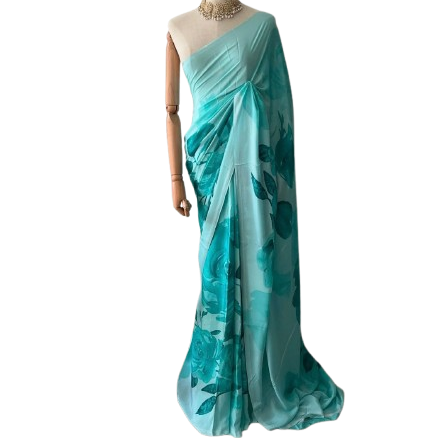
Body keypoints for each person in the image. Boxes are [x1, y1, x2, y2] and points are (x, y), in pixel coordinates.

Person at [164, 2, 345, 437]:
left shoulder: (263, 26)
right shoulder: (176, 27)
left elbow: (278, 105)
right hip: (208, 163)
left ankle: (264, 373)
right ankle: (223, 377)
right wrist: (175, 180)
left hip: (253, 168)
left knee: (255, 263)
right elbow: (170, 111)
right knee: (217, 272)